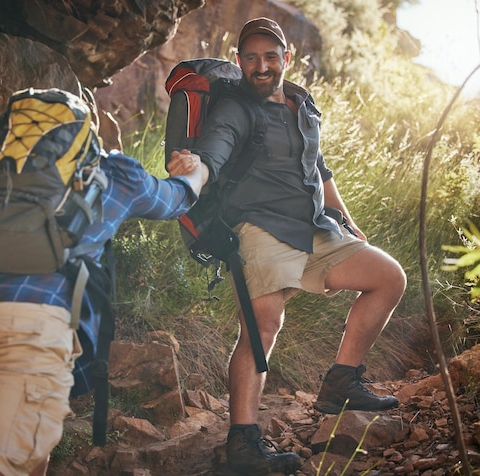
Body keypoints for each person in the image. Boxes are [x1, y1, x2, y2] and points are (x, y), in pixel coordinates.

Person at [168, 17, 406, 475]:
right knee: (262, 327)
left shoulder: (302, 103)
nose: (261, 66)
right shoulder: (234, 109)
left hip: (313, 227)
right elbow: (213, 154)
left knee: (388, 277)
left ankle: (341, 382)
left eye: (270, 57)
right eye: (251, 58)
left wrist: (348, 223)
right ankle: (243, 443)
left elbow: (318, 167)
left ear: (286, 59)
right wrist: (192, 169)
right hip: (259, 228)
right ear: (239, 62)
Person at [0, 89, 208, 476]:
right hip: (29, 330)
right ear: (85, 132)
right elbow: (177, 198)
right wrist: (198, 170)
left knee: (31, 445)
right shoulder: (112, 173)